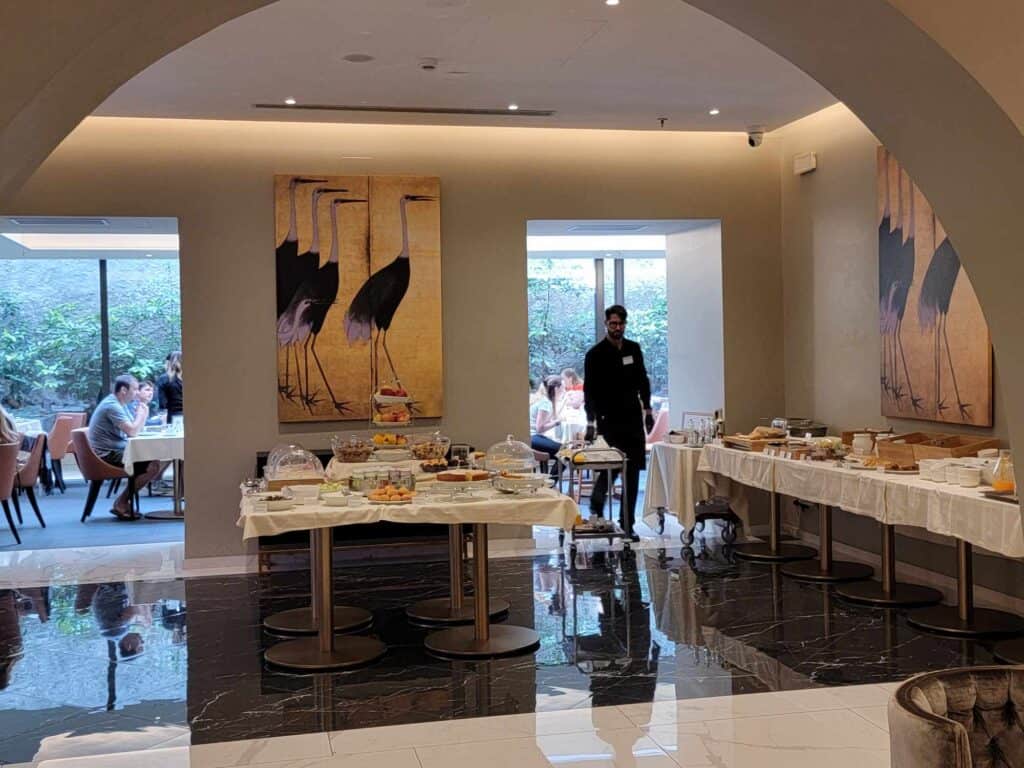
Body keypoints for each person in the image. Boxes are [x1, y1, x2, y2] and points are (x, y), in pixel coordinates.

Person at [583, 305, 653, 541]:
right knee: (610, 467)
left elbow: (643, 379)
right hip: (608, 419)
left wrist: (648, 408)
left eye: (621, 324)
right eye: (613, 324)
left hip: (632, 418)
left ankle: (627, 524)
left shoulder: (633, 349)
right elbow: (589, 390)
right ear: (606, 324)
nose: (617, 328)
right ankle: (596, 501)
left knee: (632, 473)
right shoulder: (595, 354)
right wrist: (591, 421)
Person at [88, 374, 163, 520]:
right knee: (153, 464)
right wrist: (142, 415)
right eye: (135, 389)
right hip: (106, 454)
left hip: (113, 449)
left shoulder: (120, 404)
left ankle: (122, 501)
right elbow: (133, 431)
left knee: (154, 460)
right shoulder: (112, 406)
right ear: (123, 390)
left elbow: (134, 431)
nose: (137, 392)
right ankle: (121, 502)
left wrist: (142, 414)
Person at [530, 376, 564, 470]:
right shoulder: (545, 403)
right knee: (566, 453)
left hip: (533, 437)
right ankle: (550, 482)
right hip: (533, 438)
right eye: (563, 387)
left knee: (565, 453)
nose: (564, 390)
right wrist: (556, 422)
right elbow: (540, 428)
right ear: (556, 388)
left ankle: (550, 481)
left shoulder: (545, 401)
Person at [156, 351, 183, 423]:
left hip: (172, 417)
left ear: (168, 363)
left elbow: (162, 403)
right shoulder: (191, 378)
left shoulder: (164, 378)